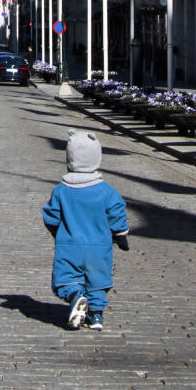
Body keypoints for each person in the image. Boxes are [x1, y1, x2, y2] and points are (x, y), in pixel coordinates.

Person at [41, 129, 129, 331]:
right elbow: (117, 213)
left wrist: (56, 231)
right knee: (98, 280)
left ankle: (75, 295)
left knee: (65, 279)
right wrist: (121, 234)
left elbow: (51, 215)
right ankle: (96, 316)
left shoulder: (61, 189)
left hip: (69, 244)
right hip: (99, 246)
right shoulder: (106, 190)